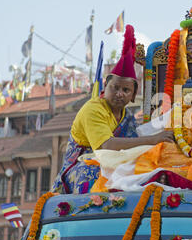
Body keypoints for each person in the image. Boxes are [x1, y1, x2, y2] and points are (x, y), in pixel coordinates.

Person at [51, 25, 174, 194]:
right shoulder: (93, 109)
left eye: (125, 90)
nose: (119, 94)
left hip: (116, 163)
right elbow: (106, 145)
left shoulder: (127, 117)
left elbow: (134, 148)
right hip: (82, 167)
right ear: (105, 86)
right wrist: (154, 139)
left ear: (133, 96)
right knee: (98, 174)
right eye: (115, 88)